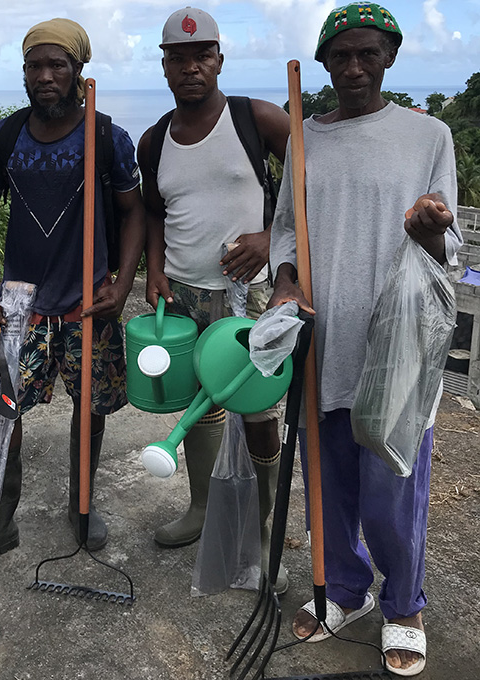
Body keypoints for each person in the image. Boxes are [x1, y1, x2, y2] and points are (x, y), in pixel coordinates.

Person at [268, 4, 462, 675]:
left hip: (397, 345)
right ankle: (343, 590)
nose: (353, 68)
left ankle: (403, 604)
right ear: (322, 64)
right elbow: (285, 230)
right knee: (330, 481)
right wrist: (286, 277)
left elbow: (450, 246)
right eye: (340, 56)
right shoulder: (303, 137)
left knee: (393, 487)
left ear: (389, 58)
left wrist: (430, 229)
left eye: (368, 55)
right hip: (323, 338)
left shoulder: (428, 135)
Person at [0, 18, 145, 563]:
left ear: (78, 71)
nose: (45, 76)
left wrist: (123, 280)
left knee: (88, 406)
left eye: (57, 65)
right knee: (6, 408)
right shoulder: (5, 136)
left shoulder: (107, 137)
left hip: (87, 299)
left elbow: (135, 213)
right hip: (21, 302)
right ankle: (2, 515)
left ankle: (82, 506)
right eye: (34, 66)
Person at [137, 7, 292, 593]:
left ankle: (258, 527)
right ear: (165, 66)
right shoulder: (155, 140)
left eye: (202, 56)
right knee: (198, 405)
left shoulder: (257, 119)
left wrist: (268, 237)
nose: (191, 67)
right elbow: (154, 214)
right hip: (181, 294)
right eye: (178, 58)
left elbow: (313, 185)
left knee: (256, 409)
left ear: (220, 60)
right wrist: (153, 271)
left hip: (248, 295)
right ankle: (203, 510)